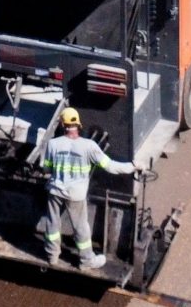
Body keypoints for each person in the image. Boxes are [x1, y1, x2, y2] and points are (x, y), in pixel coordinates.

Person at [40, 106, 133, 270]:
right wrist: (132, 166)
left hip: (55, 190)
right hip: (76, 195)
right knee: (81, 227)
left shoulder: (53, 144)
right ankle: (86, 261)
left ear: (62, 124)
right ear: (78, 125)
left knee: (53, 223)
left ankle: (52, 256)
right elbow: (110, 166)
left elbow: (46, 169)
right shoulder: (89, 146)